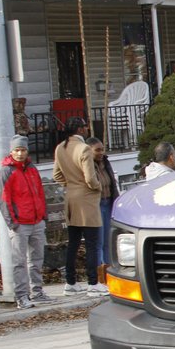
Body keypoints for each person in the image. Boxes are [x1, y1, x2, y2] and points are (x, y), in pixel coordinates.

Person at [52, 117, 108, 297]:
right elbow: (91, 178)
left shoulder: (60, 147)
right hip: (87, 199)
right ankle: (93, 283)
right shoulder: (83, 148)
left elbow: (56, 175)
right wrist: (97, 187)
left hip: (71, 198)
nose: (86, 128)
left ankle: (70, 282)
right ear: (80, 129)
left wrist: (70, 185)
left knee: (73, 243)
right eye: (84, 126)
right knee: (92, 243)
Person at [0, 134, 50, 309]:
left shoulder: (32, 169)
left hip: (36, 221)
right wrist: (12, 223)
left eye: (23, 150)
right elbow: (4, 200)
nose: (20, 153)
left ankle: (37, 291)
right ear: (11, 151)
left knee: (37, 258)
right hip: (21, 223)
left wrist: (43, 215)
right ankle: (22, 296)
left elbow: (40, 193)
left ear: (27, 151)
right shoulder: (7, 172)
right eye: (17, 150)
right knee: (19, 261)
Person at [86, 137, 120, 266]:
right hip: (96, 205)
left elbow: (112, 183)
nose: (101, 153)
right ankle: (100, 271)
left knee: (108, 240)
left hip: (108, 202)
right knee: (98, 241)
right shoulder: (87, 165)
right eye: (97, 150)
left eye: (102, 149)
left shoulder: (105, 162)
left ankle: (109, 270)